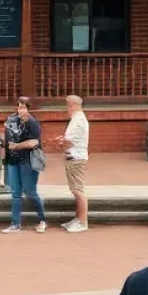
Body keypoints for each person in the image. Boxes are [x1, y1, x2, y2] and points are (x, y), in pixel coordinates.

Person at [0, 96, 46, 234]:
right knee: (15, 193)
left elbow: (34, 142)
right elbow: (8, 138)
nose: (20, 110)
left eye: (23, 107)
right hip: (13, 161)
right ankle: (15, 223)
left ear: (29, 109)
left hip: (28, 161)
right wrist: (3, 146)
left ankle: (42, 220)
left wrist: (17, 146)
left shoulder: (33, 123)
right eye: (19, 106)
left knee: (30, 192)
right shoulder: (12, 120)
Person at [54, 94, 89, 232]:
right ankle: (78, 217)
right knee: (74, 188)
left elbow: (69, 141)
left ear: (74, 105)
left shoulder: (79, 119)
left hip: (76, 157)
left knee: (77, 190)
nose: (67, 108)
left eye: (68, 105)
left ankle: (82, 220)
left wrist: (60, 142)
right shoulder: (76, 119)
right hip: (73, 156)